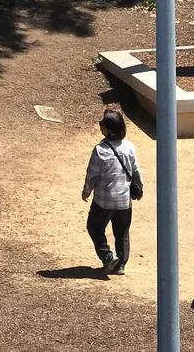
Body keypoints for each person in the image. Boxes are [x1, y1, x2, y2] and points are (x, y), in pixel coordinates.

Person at [82, 110, 141, 275]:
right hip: (124, 201)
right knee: (122, 232)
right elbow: (136, 171)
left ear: (109, 129)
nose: (100, 125)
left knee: (94, 226)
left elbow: (92, 175)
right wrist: (139, 188)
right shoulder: (129, 147)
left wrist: (86, 191)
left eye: (103, 124)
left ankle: (107, 256)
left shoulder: (100, 150)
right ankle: (121, 264)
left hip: (103, 200)